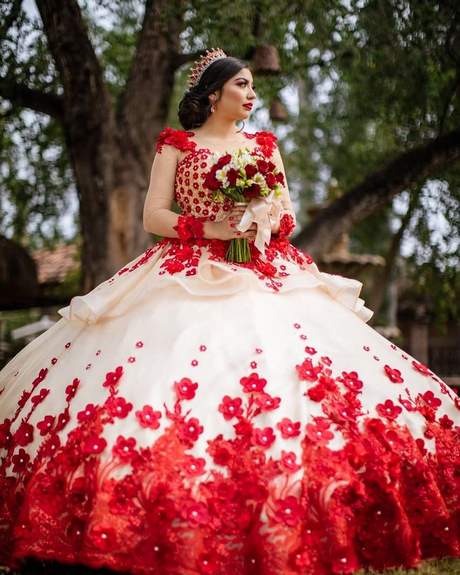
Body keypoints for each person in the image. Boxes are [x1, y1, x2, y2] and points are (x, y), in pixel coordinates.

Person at [0, 47, 459, 575]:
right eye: (241, 84)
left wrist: (259, 214)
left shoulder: (264, 144)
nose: (251, 93)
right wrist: (211, 228)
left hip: (263, 269)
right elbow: (154, 215)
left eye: (251, 85)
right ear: (213, 93)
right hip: (184, 268)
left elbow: (284, 215)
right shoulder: (176, 144)